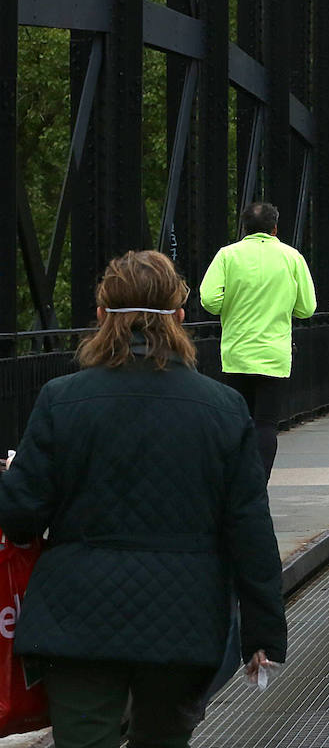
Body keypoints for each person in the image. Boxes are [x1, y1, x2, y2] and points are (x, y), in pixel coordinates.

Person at [0, 250, 286, 748]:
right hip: (183, 619)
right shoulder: (222, 408)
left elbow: (21, 517)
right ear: (179, 317)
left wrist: (11, 476)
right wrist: (261, 634)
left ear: (98, 317)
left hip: (76, 619)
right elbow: (249, 527)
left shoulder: (62, 399)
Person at [199, 202, 316, 477]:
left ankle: (236, 479)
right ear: (275, 228)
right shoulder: (292, 257)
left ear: (244, 228)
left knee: (239, 421)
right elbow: (307, 308)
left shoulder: (228, 255)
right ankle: (258, 483)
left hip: (236, 354)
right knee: (266, 424)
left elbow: (209, 300)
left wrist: (232, 304)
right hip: (274, 356)